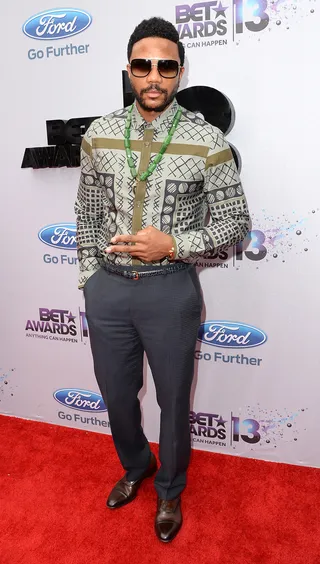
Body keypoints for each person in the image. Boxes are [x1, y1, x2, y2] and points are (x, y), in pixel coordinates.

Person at [75, 16, 250, 543]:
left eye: (166, 66)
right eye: (143, 65)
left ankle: (170, 490)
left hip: (171, 291)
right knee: (115, 393)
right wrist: (89, 278)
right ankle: (136, 466)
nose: (154, 77)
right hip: (107, 289)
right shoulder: (99, 133)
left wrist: (174, 244)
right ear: (129, 70)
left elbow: (236, 223)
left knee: (173, 399)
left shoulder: (206, 139)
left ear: (179, 71)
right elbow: (85, 211)